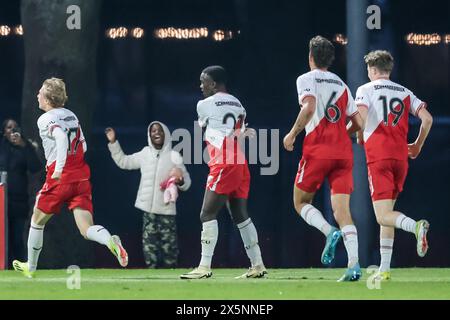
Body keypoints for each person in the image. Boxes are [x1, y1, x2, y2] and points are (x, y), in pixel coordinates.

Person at [13, 77, 128, 278]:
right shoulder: (71, 115)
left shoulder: (45, 118)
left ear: (48, 98)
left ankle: (30, 267)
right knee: (86, 228)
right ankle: (110, 240)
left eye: (40, 91)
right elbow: (82, 145)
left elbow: (59, 137)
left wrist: (59, 169)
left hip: (61, 176)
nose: (37, 94)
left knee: (37, 221)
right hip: (81, 175)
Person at [283, 36, 364, 281]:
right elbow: (359, 123)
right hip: (343, 153)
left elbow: (308, 107)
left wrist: (292, 133)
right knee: (343, 211)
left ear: (310, 57)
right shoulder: (341, 84)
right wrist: (341, 134)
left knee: (300, 202)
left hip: (318, 150)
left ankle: (329, 232)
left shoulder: (306, 79)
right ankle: (354, 265)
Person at [180, 65, 267, 279]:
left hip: (224, 162)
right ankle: (257, 264)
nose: (201, 86)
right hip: (240, 162)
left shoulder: (204, 104)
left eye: (203, 81)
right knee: (240, 214)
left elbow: (204, 131)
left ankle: (204, 266)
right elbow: (239, 132)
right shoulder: (239, 104)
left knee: (206, 213)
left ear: (213, 83)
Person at [355, 50, 432, 280]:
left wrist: (359, 137)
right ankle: (385, 269)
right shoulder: (404, 92)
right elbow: (427, 119)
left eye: (368, 69)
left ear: (373, 69)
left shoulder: (365, 90)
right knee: (388, 212)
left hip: (379, 157)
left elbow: (360, 118)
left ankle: (415, 226)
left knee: (382, 216)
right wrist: (417, 145)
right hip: (400, 158)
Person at [105, 122, 191, 268]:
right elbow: (124, 162)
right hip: (148, 213)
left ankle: (172, 281)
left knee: (169, 250)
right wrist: (113, 143)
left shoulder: (174, 156)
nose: (156, 133)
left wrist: (180, 180)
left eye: (160, 131)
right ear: (149, 135)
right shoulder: (145, 153)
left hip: (166, 212)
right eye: (153, 131)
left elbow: (187, 183)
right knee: (149, 250)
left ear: (166, 135)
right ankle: (152, 279)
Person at [0, 119, 41, 266]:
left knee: (17, 237)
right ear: (4, 132)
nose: (12, 130)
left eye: (15, 127)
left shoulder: (25, 146)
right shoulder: (2, 147)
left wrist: (24, 146)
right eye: (8, 127)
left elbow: (36, 167)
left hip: (18, 201)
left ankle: (18, 266)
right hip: (1, 200)